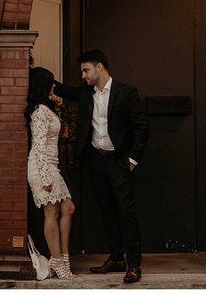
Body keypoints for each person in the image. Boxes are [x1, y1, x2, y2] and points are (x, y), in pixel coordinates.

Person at [55, 49, 150, 284]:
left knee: (125, 211)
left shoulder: (127, 93)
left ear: (100, 67)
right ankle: (117, 257)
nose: (84, 75)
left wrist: (133, 159)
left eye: (86, 70)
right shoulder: (87, 94)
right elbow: (63, 90)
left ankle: (134, 264)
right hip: (96, 161)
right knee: (107, 211)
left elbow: (141, 127)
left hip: (119, 161)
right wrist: (32, 71)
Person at [25, 66, 76, 280]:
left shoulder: (47, 108)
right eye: (51, 82)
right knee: (51, 212)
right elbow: (38, 146)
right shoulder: (39, 112)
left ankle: (62, 257)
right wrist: (45, 177)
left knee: (68, 208)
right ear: (44, 85)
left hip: (51, 166)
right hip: (41, 166)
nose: (54, 86)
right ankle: (57, 259)